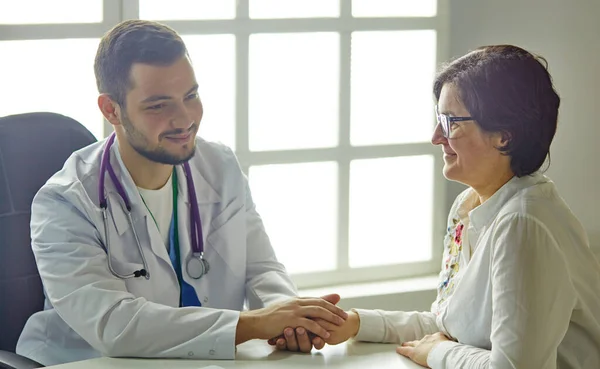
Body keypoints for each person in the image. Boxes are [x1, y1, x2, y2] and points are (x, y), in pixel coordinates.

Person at [15, 20, 347, 366]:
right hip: (84, 362)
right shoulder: (64, 203)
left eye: (191, 96)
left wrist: (290, 317)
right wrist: (254, 323)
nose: (184, 119)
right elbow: (116, 325)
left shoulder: (218, 166)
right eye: (159, 106)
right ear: (111, 109)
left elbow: (261, 269)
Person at [272, 45, 600, 368]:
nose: (435, 137)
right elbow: (450, 327)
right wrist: (353, 323)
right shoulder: (469, 205)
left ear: (504, 136)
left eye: (450, 122)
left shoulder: (524, 224)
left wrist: (437, 354)